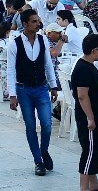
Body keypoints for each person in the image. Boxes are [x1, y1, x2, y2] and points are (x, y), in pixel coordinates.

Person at [7, 9, 58, 176]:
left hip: (42, 88)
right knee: (30, 126)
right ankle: (38, 161)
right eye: (34, 21)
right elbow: (10, 71)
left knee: (47, 125)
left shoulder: (43, 40)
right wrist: (12, 95)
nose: (38, 24)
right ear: (25, 24)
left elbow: (48, 65)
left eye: (38, 21)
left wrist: (53, 85)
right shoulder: (14, 44)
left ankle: (44, 151)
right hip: (23, 90)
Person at [72, 34, 98, 191]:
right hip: (90, 116)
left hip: (97, 114)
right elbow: (82, 96)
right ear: (94, 50)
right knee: (90, 151)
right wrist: (90, 118)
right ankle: (84, 187)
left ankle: (93, 183)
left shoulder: (89, 65)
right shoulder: (83, 69)